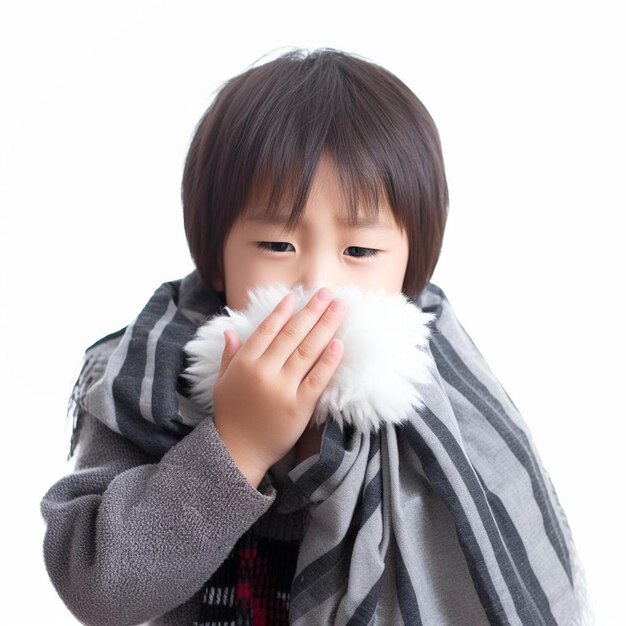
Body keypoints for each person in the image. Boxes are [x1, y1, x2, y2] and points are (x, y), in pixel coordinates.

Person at [40, 48, 587, 626]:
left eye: (361, 251)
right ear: (216, 260)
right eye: (278, 246)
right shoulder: (146, 376)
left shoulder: (448, 388)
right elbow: (100, 589)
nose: (319, 284)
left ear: (410, 269)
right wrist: (237, 445)